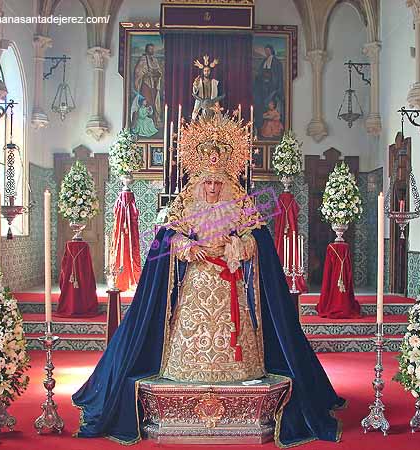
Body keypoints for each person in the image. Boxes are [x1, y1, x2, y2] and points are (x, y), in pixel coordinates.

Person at [72, 112, 344, 447]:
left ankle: (240, 373)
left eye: (218, 182)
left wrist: (240, 245)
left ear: (226, 179)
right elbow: (167, 236)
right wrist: (185, 245)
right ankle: (187, 372)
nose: (213, 188)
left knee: (237, 335)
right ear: (199, 180)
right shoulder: (187, 202)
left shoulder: (241, 202)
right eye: (208, 182)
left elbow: (257, 239)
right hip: (197, 286)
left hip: (230, 283)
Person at [254, 44, 284, 135]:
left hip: (272, 86)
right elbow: (260, 72)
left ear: (271, 50)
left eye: (268, 50)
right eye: (265, 50)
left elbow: (277, 75)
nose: (266, 52)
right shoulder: (264, 61)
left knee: (270, 100)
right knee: (262, 103)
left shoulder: (276, 62)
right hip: (264, 86)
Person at [132, 43, 163, 129]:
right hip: (146, 84)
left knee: (153, 102)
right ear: (146, 49)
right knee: (147, 101)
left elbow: (159, 71)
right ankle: (143, 123)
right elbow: (138, 71)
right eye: (150, 49)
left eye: (153, 49)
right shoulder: (143, 59)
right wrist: (145, 74)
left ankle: (154, 121)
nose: (151, 51)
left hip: (154, 84)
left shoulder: (155, 60)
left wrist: (156, 74)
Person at [192, 55, 223, 120]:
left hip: (213, 101)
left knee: (218, 117)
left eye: (208, 71)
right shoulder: (199, 82)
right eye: (205, 71)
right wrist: (195, 85)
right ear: (203, 72)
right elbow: (195, 91)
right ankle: (193, 127)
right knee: (195, 115)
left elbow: (221, 94)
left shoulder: (215, 82)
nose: (206, 72)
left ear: (210, 72)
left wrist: (215, 100)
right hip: (201, 101)